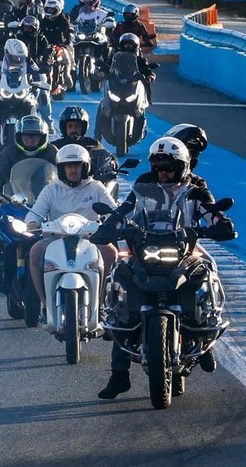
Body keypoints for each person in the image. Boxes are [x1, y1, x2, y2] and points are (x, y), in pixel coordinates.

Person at [91, 138, 235, 399]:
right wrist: (108, 226)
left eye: (168, 166)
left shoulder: (195, 191)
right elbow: (124, 210)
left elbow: (214, 213)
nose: (163, 172)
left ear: (182, 166)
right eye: (158, 166)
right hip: (145, 249)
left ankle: (206, 326)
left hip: (183, 251)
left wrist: (218, 223)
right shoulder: (142, 188)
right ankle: (119, 375)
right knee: (120, 280)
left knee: (206, 269)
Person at [25, 144, 117, 309]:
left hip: (90, 238)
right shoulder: (50, 190)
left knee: (111, 252)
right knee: (35, 252)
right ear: (61, 169)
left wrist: (114, 221)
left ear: (85, 168)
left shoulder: (96, 187)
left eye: (77, 166)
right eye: (68, 166)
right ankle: (45, 302)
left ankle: (101, 300)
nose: (73, 170)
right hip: (56, 238)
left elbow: (113, 210)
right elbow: (35, 212)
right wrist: (32, 223)